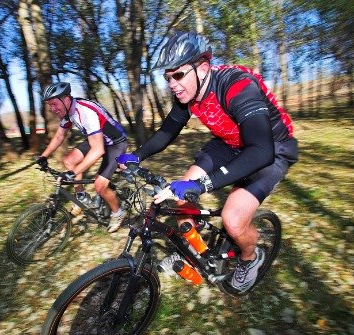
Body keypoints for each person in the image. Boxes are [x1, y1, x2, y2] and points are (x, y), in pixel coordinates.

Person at [117, 32, 298, 293]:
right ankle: (196, 253)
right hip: (228, 142)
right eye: (167, 77)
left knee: (232, 220)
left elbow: (260, 150)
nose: (172, 84)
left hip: (270, 146)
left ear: (202, 68)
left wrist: (204, 185)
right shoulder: (187, 94)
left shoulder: (237, 85)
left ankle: (250, 257)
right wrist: (138, 155)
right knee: (181, 198)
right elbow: (168, 131)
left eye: (178, 75)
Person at [37, 82, 128, 233]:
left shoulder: (84, 111)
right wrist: (44, 156)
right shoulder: (67, 113)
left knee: (99, 185)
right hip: (99, 139)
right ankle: (81, 197)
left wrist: (74, 173)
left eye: (54, 104)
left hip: (115, 143)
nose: (52, 109)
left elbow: (98, 149)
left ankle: (118, 213)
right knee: (69, 161)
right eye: (49, 105)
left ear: (66, 99)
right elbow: (59, 136)